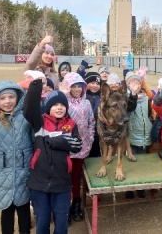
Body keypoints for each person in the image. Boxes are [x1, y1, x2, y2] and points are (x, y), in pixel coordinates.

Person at [23, 79, 82, 234]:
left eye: (62, 105)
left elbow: (77, 145)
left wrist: (56, 141)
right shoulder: (40, 122)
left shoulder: (71, 124)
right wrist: (35, 87)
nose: (59, 108)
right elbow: (28, 109)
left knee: (61, 221)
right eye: (55, 104)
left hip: (62, 182)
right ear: (48, 107)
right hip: (39, 182)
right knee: (42, 221)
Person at [0, 81, 34, 234]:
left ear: (18, 98)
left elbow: (34, 141)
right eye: (2, 98)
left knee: (24, 210)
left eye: (11, 97)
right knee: (7, 211)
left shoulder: (25, 118)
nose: (7, 101)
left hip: (24, 172)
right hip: (1, 174)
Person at [59, 72, 95, 224]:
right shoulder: (63, 103)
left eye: (79, 86)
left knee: (76, 178)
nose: (77, 89)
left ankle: (76, 205)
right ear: (68, 87)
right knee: (65, 179)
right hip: (66, 148)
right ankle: (65, 208)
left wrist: (90, 137)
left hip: (82, 146)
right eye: (74, 86)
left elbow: (91, 122)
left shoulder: (86, 103)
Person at [125, 71, 153, 199]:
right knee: (132, 162)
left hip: (146, 135)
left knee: (144, 163)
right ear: (127, 84)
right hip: (133, 136)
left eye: (137, 82)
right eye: (132, 82)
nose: (135, 84)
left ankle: (141, 187)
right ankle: (129, 188)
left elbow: (149, 114)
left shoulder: (146, 98)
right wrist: (133, 94)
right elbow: (129, 108)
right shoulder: (126, 98)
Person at [84, 72, 102, 157]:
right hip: (84, 133)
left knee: (96, 155)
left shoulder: (102, 97)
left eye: (98, 84)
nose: (95, 86)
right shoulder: (82, 96)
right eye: (92, 83)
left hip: (98, 134)